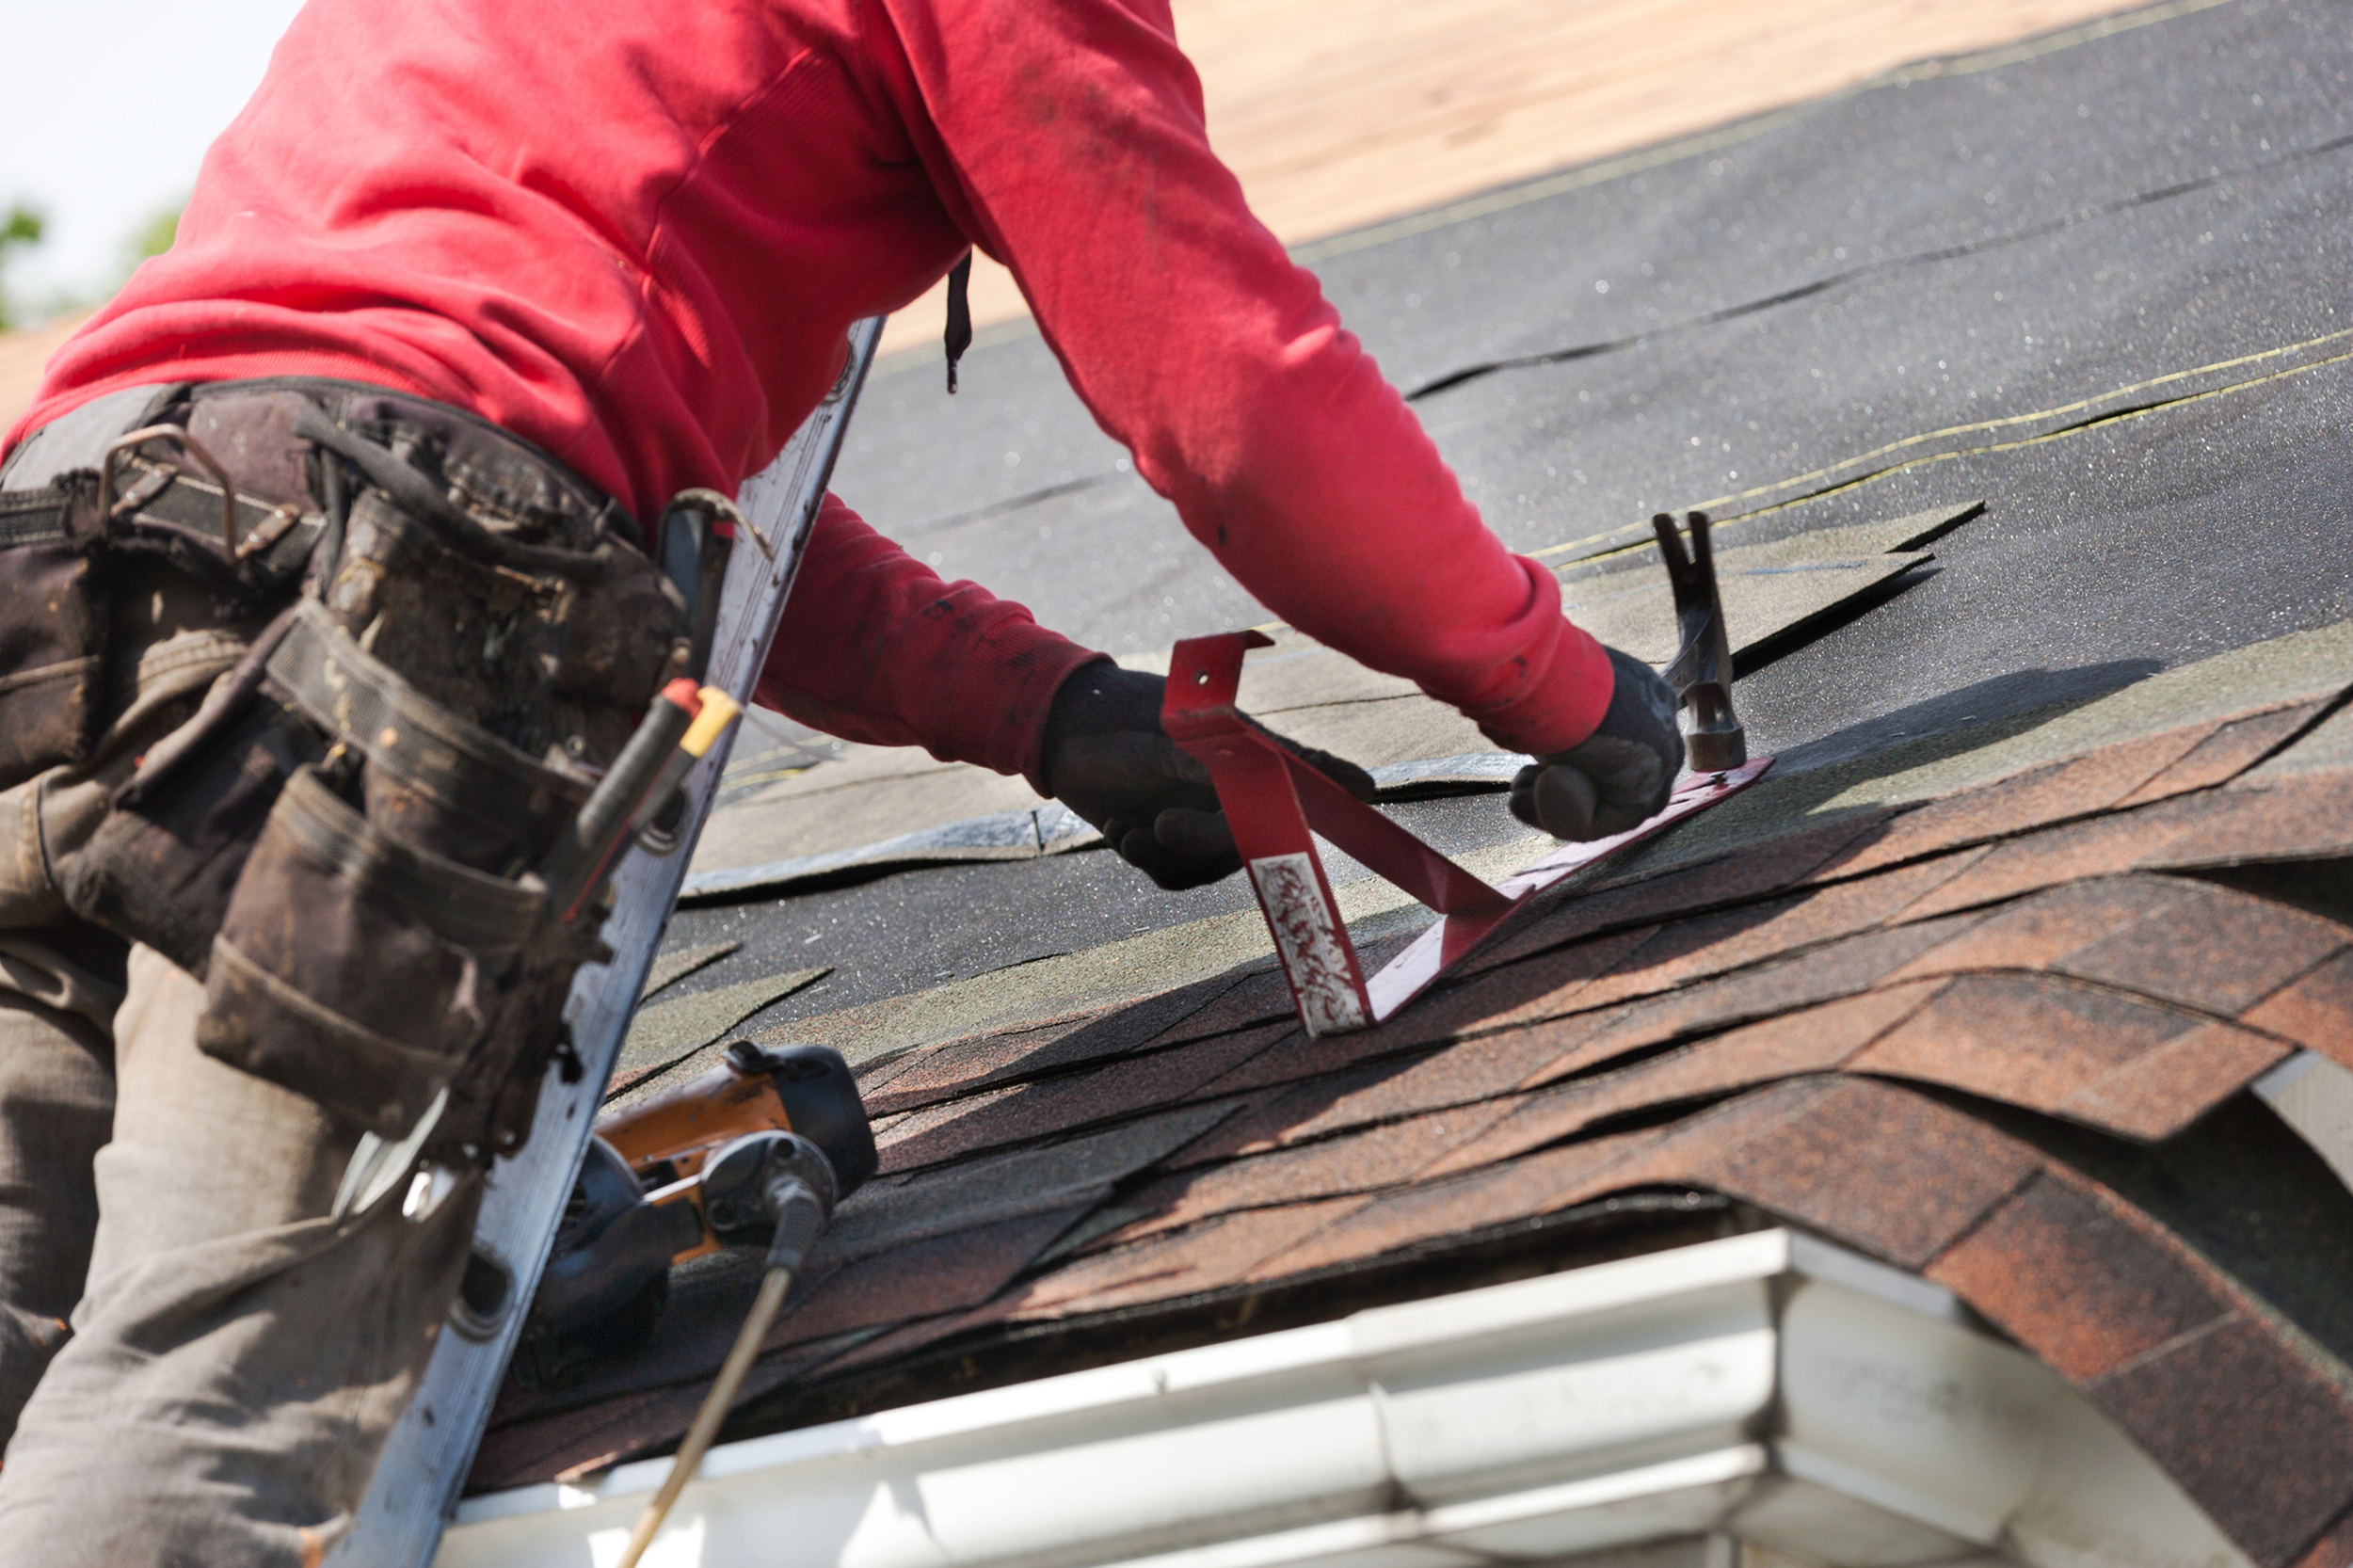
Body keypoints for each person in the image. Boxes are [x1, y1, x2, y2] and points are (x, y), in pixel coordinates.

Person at [0, 0, 1683, 1559]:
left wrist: (1044, 706)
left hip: (75, 547)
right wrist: (1549, 680)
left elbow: (599, 466)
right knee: (213, 1388)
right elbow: (1224, 392)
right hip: (385, 613)